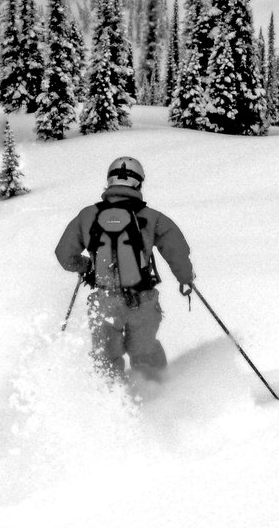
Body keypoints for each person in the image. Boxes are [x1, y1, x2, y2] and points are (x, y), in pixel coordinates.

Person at [55, 156, 194, 380]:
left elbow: (64, 255)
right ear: (138, 184)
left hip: (104, 301)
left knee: (106, 358)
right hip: (142, 300)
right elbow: (176, 249)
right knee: (144, 353)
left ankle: (111, 403)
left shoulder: (87, 216)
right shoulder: (152, 217)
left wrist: (86, 266)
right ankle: (158, 398)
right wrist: (185, 278)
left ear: (109, 182)